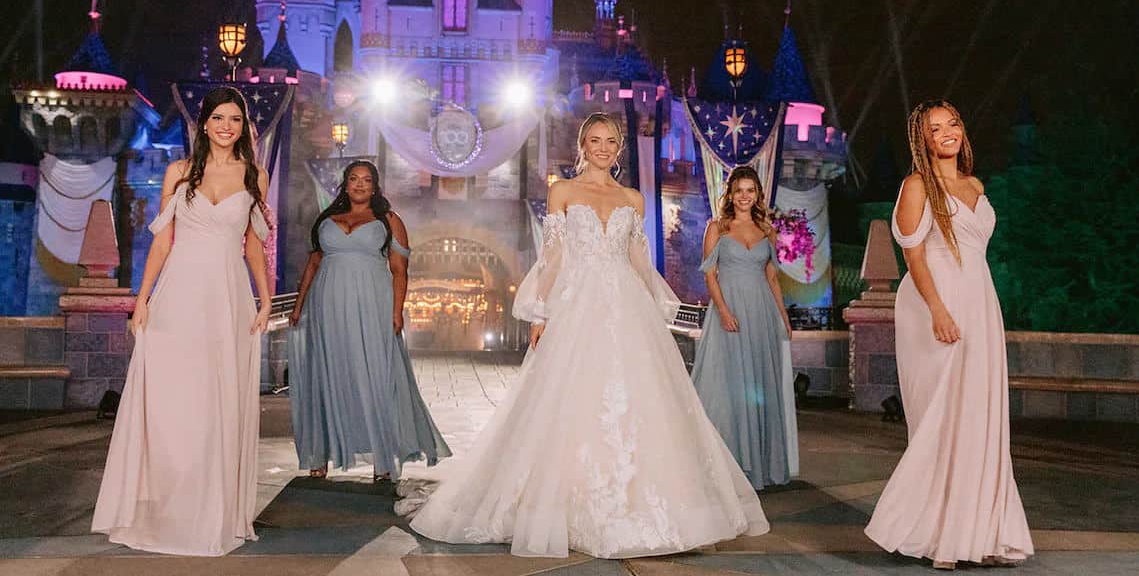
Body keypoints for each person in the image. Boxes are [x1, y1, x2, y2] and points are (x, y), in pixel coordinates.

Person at [403, 113, 769, 558]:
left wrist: (658, 310)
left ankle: (643, 508)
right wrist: (539, 312)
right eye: (595, 140)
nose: (603, 147)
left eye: (611, 141)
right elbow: (553, 257)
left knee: (640, 400)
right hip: (578, 305)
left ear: (619, 148)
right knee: (570, 398)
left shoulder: (633, 198)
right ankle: (566, 503)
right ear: (582, 145)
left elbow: (638, 257)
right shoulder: (563, 191)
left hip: (627, 307)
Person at [92, 86, 272, 556]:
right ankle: (165, 508)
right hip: (178, 295)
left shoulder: (256, 176)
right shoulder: (179, 172)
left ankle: (210, 511)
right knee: (172, 400)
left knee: (217, 401)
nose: (226, 127)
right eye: (218, 118)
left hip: (228, 297)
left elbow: (254, 245)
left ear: (243, 126)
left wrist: (265, 298)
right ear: (204, 123)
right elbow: (161, 242)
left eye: (235, 119)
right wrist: (143, 300)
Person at [864, 100, 1034, 570]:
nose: (946, 132)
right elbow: (914, 257)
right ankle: (938, 537)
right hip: (935, 304)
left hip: (980, 302)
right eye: (934, 128)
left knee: (980, 417)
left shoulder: (976, 185)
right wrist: (937, 309)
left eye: (953, 123)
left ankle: (980, 533)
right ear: (922, 139)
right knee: (943, 417)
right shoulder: (917, 186)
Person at [287, 160, 450, 480]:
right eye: (353, 179)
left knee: (374, 376)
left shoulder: (389, 220)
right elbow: (313, 263)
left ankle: (384, 459)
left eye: (366, 180)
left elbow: (400, 271)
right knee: (327, 374)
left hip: (372, 307)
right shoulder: (327, 219)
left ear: (375, 186)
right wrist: (299, 305)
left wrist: (396, 311)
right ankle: (320, 455)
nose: (359, 185)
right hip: (326, 308)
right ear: (345, 184)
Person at [691, 165, 798, 489]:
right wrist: (723, 310)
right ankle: (731, 465)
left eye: (750, 190)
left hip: (762, 313)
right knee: (730, 385)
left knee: (760, 386)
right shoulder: (717, 229)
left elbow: (771, 278)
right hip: (730, 311)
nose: (744, 196)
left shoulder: (767, 230)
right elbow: (710, 275)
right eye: (739, 190)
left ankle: (761, 466)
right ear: (731, 194)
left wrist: (783, 316)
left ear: (757, 195)